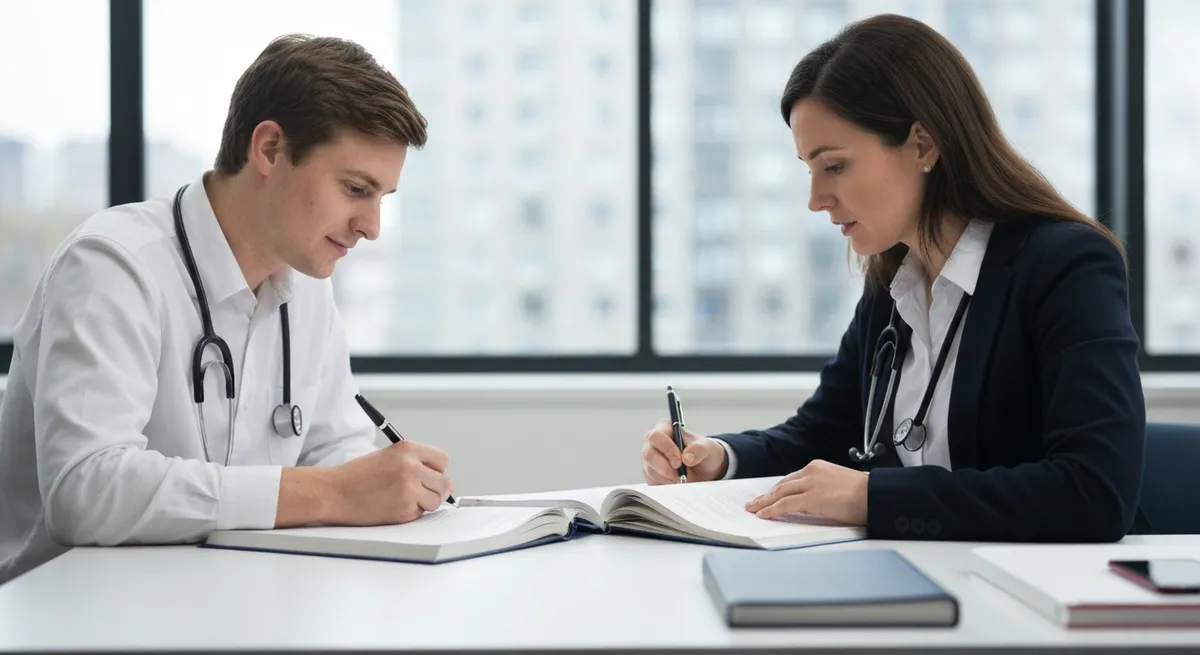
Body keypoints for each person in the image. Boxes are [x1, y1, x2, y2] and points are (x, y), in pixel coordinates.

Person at [640, 14, 1148, 543]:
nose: (815, 199)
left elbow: (1095, 491)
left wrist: (869, 496)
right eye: (807, 169)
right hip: (925, 580)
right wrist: (719, 459)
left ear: (923, 145)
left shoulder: (1065, 266)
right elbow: (822, 434)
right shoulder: (893, 281)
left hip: (1043, 596)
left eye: (834, 166)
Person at [0, 34, 454, 584]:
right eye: (356, 188)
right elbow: (86, 490)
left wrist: (385, 488)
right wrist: (336, 492)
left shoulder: (306, 283)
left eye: (382, 198)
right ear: (268, 149)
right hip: (65, 614)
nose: (372, 227)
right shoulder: (113, 265)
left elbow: (334, 448)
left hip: (221, 600)